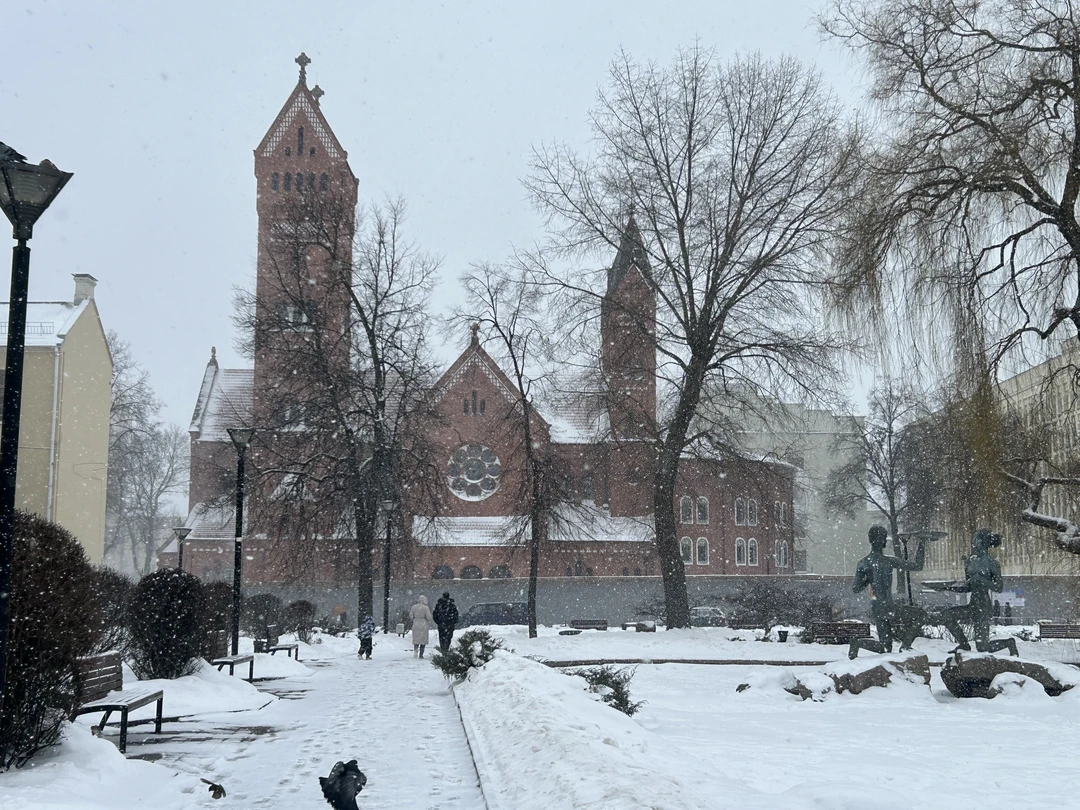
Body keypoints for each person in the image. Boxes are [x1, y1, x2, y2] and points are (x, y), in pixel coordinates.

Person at [849, 525, 926, 658]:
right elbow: (917, 566)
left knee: (886, 647)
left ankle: (858, 643)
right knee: (921, 615)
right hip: (885, 606)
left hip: (880, 606)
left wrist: (868, 577)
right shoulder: (887, 561)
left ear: (870, 540)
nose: (882, 541)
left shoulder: (864, 562)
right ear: (884, 541)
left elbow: (856, 588)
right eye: (882, 538)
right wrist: (922, 543)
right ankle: (905, 646)